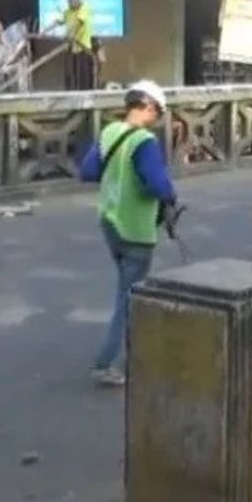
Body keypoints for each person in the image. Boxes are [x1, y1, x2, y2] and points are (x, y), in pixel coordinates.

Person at [79, 80, 179, 387]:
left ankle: (136, 351)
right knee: (129, 297)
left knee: (128, 289)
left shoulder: (110, 132)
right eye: (159, 113)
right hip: (135, 229)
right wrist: (171, 198)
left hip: (110, 222)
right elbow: (158, 186)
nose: (159, 120)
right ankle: (105, 362)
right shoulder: (144, 142)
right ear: (148, 107)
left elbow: (88, 171)